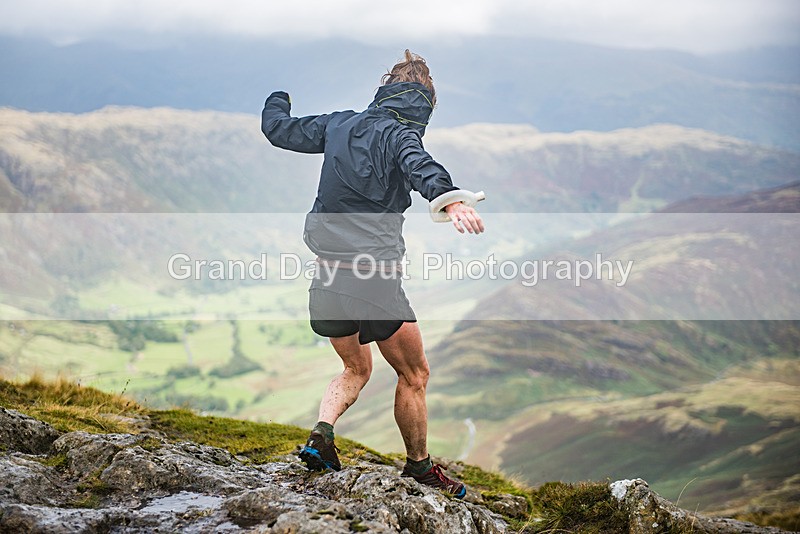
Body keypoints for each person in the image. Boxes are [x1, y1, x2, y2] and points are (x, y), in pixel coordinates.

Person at [261, 50, 484, 499]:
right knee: (415, 374)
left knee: (354, 366)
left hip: (326, 273)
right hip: (374, 278)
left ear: (385, 92)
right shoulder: (403, 137)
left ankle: (321, 436)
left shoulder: (340, 123)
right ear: (423, 106)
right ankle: (419, 469)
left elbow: (279, 130)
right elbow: (423, 169)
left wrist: (277, 98)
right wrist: (452, 200)